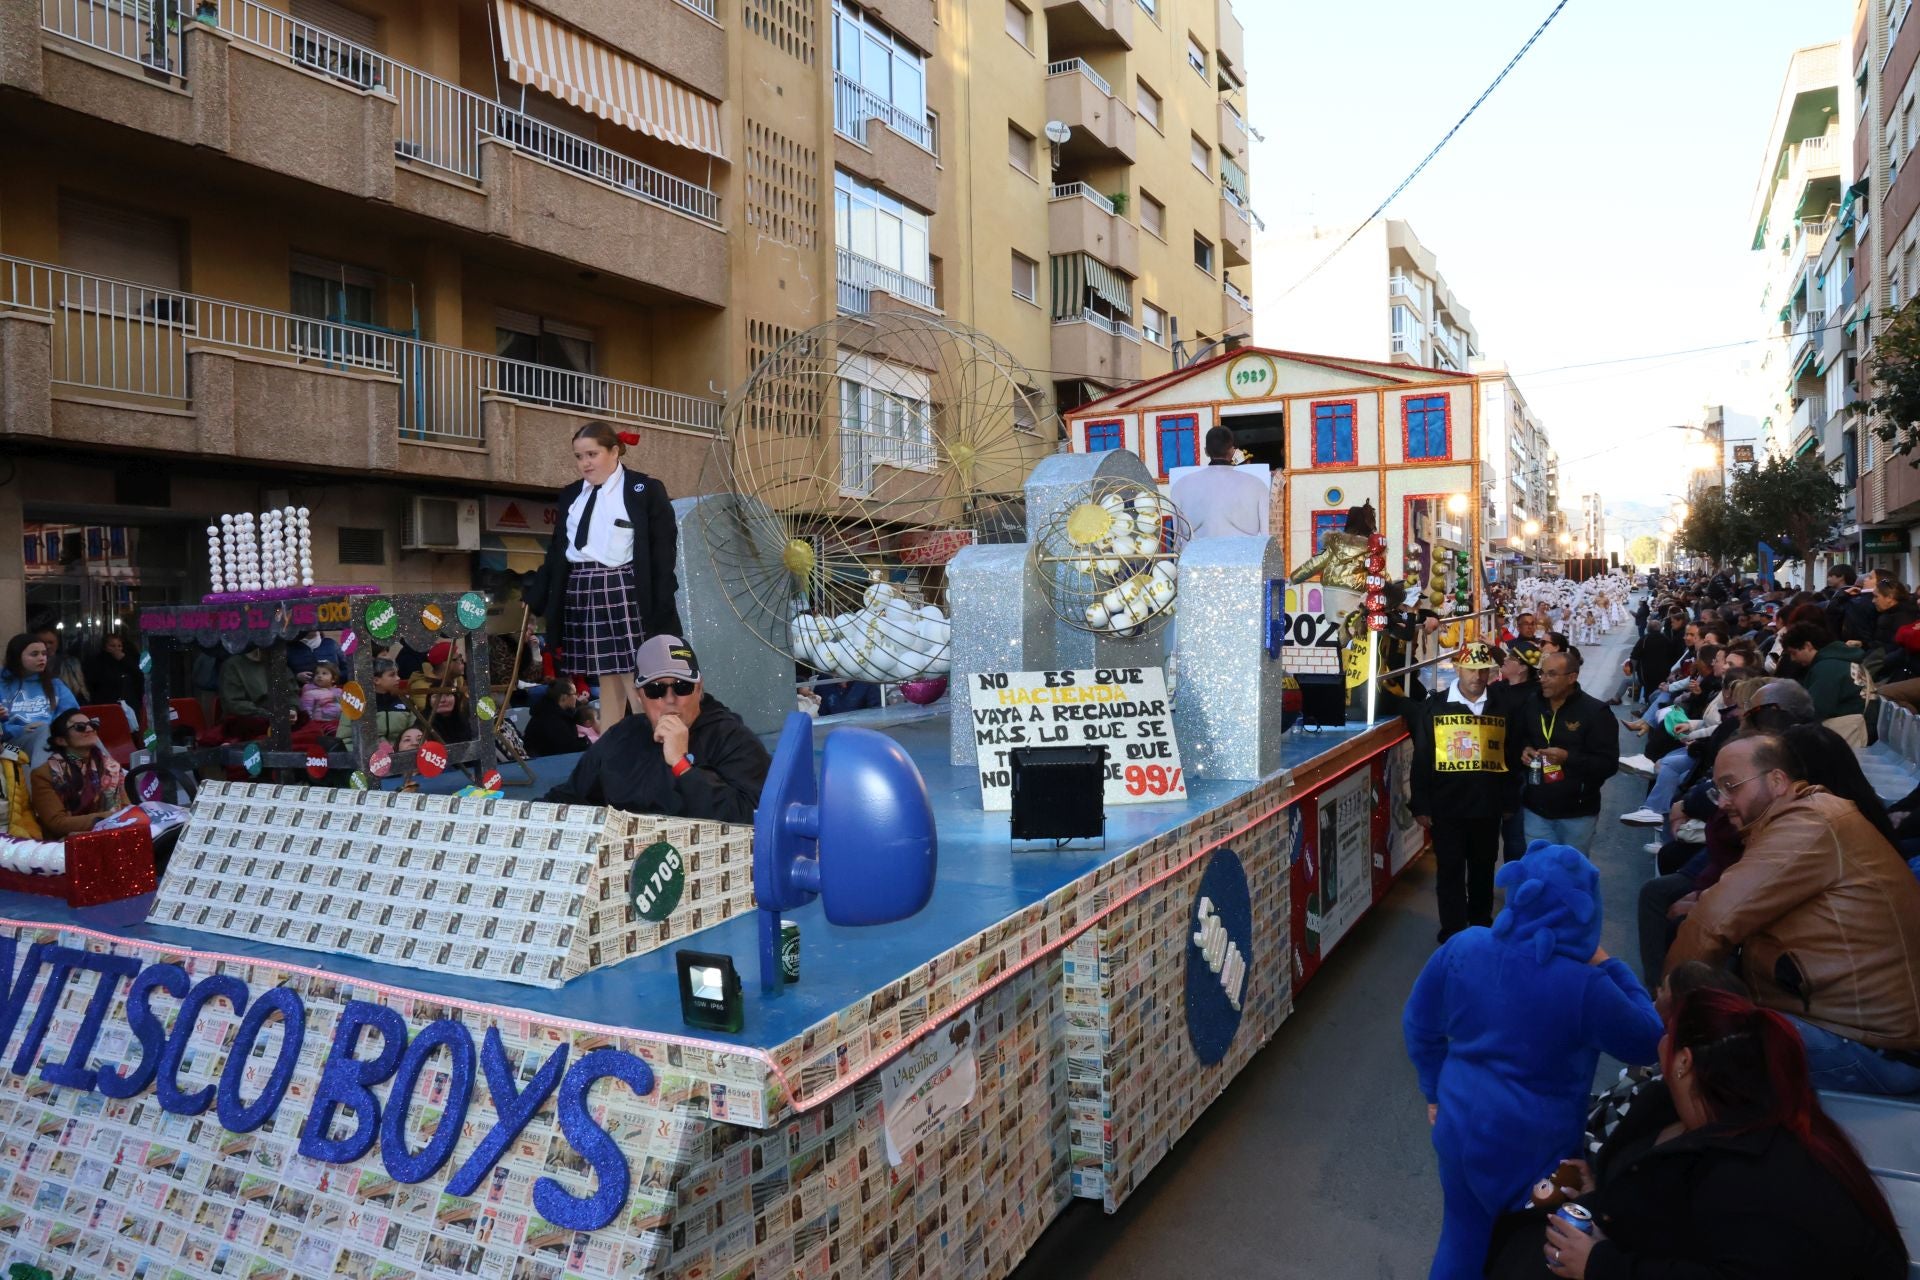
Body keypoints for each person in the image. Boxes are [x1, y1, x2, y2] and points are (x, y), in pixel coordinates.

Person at [1488, 988, 1907, 1280]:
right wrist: (1604, 1187)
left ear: (1685, 1061)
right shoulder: (1714, 1111)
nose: (1660, 1040)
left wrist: (1600, 1266)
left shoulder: (1752, 1177)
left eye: (1668, 1032)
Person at [1402, 842, 1662, 1280]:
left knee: (1461, 1237)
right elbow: (1651, 1039)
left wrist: (1433, 1090)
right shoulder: (1587, 988)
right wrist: (1611, 963)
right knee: (1530, 1248)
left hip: (1459, 1127)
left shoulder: (1464, 946)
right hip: (1537, 1156)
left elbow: (1418, 1023)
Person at [1666, 735, 1920, 1094]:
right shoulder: (1807, 815)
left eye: (1731, 787)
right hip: (1853, 1029)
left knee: (1700, 1056)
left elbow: (1714, 923)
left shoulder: (1810, 824)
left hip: (1870, 1047)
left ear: (1777, 781)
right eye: (1717, 789)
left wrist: (1667, 1004)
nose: (1722, 802)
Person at [525, 421, 683, 733]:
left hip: (624, 586)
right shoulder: (571, 494)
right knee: (607, 676)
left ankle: (657, 742)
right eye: (579, 456)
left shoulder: (644, 489)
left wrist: (662, 600)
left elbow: (663, 550)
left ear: (614, 451)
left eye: (592, 454)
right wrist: (536, 593)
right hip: (581, 587)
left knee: (638, 673)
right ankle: (612, 743)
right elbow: (558, 549)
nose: (585, 463)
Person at [546, 636, 770, 822]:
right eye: (655, 690)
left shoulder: (731, 739)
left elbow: (754, 820)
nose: (670, 699)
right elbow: (572, 795)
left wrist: (683, 767)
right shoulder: (622, 735)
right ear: (639, 696)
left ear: (699, 689)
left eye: (682, 687)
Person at [1407, 644, 1522, 942]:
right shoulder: (1434, 707)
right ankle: (1454, 930)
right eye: (1472, 669)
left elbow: (1510, 756)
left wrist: (1509, 800)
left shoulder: (1502, 707)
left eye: (1484, 670)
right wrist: (1420, 803)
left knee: (1484, 869)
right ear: (1458, 669)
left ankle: (1482, 925)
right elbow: (1422, 759)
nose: (1478, 676)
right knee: (1449, 871)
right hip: (1447, 807)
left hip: (1488, 805)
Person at [1517, 650, 1619, 849]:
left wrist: (1568, 758)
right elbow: (1521, 736)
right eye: (1542, 673)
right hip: (1536, 808)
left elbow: (1608, 764)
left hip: (1577, 814)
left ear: (1572, 677)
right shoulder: (1532, 703)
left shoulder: (1596, 713)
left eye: (1551, 674)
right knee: (1540, 870)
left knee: (1571, 874)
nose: (1543, 680)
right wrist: (1525, 748)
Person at [29, 709, 129, 836]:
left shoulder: (111, 767)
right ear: (61, 740)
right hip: (65, 844)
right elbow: (56, 823)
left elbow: (126, 808)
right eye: (80, 727)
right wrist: (106, 819)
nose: (89, 729)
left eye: (93, 724)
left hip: (114, 833)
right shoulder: (44, 774)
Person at [1168, 425, 1268, 539]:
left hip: (1198, 556)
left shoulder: (1181, 486)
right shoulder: (1257, 485)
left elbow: (1176, 542)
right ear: (1232, 451)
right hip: (1243, 555)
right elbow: (1265, 540)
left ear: (1206, 451)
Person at [1777, 621, 1868, 745]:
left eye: (1794, 653)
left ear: (1808, 646)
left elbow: (1815, 709)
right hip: (1864, 725)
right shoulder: (1842, 660)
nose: (1793, 659)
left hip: (1850, 731)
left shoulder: (1827, 668)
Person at [0, 633, 79, 765]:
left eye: (44, 654)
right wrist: (20, 729)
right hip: (8, 747)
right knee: (43, 734)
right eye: (34, 654)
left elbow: (71, 715)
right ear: (16, 657)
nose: (41, 658)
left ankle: (115, 775)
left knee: (86, 730)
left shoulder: (54, 684)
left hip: (52, 740)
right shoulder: (2, 684)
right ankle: (43, 782)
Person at [523, 678, 591, 757]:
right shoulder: (550, 718)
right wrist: (586, 742)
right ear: (564, 697)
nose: (577, 696)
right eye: (575, 694)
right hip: (543, 760)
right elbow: (567, 747)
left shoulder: (558, 708)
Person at [81, 634, 144, 712]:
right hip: (106, 703)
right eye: (112, 646)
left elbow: (138, 674)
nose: (116, 649)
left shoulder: (128, 660)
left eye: (119, 646)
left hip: (127, 704)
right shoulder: (98, 662)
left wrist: (124, 660)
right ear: (105, 647)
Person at [408, 641, 467, 717]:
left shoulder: (458, 680)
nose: (462, 662)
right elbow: (436, 713)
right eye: (458, 659)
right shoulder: (421, 686)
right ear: (446, 664)